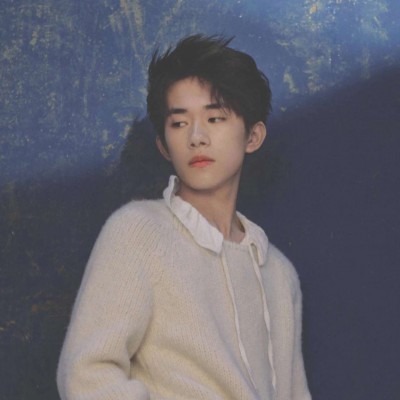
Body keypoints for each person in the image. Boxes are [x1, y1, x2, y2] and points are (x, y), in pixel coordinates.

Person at [57, 34, 312, 400]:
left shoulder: (278, 271)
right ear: (163, 145)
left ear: (253, 136)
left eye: (215, 117)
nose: (196, 137)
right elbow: (86, 374)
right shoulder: (138, 231)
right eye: (178, 123)